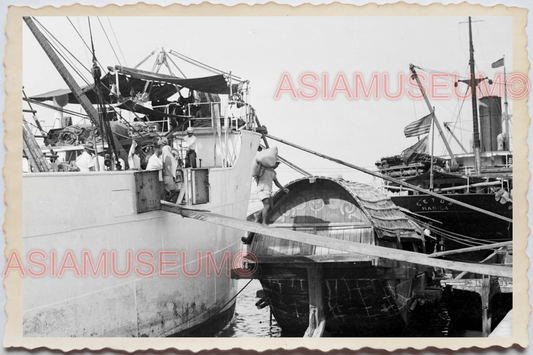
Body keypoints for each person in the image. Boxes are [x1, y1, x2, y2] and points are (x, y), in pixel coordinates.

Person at [255, 160, 289, 225]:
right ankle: (264, 222)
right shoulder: (263, 169)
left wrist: (283, 188)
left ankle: (258, 214)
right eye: (276, 164)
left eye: (278, 164)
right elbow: (256, 173)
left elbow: (276, 182)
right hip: (262, 190)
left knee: (270, 207)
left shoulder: (273, 172)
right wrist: (259, 164)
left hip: (269, 191)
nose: (277, 166)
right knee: (267, 206)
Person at [160, 137, 179, 202]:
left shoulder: (161, 157)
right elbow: (173, 167)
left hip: (163, 177)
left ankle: (166, 200)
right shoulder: (170, 158)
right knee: (174, 192)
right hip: (169, 177)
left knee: (166, 191)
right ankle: (167, 200)